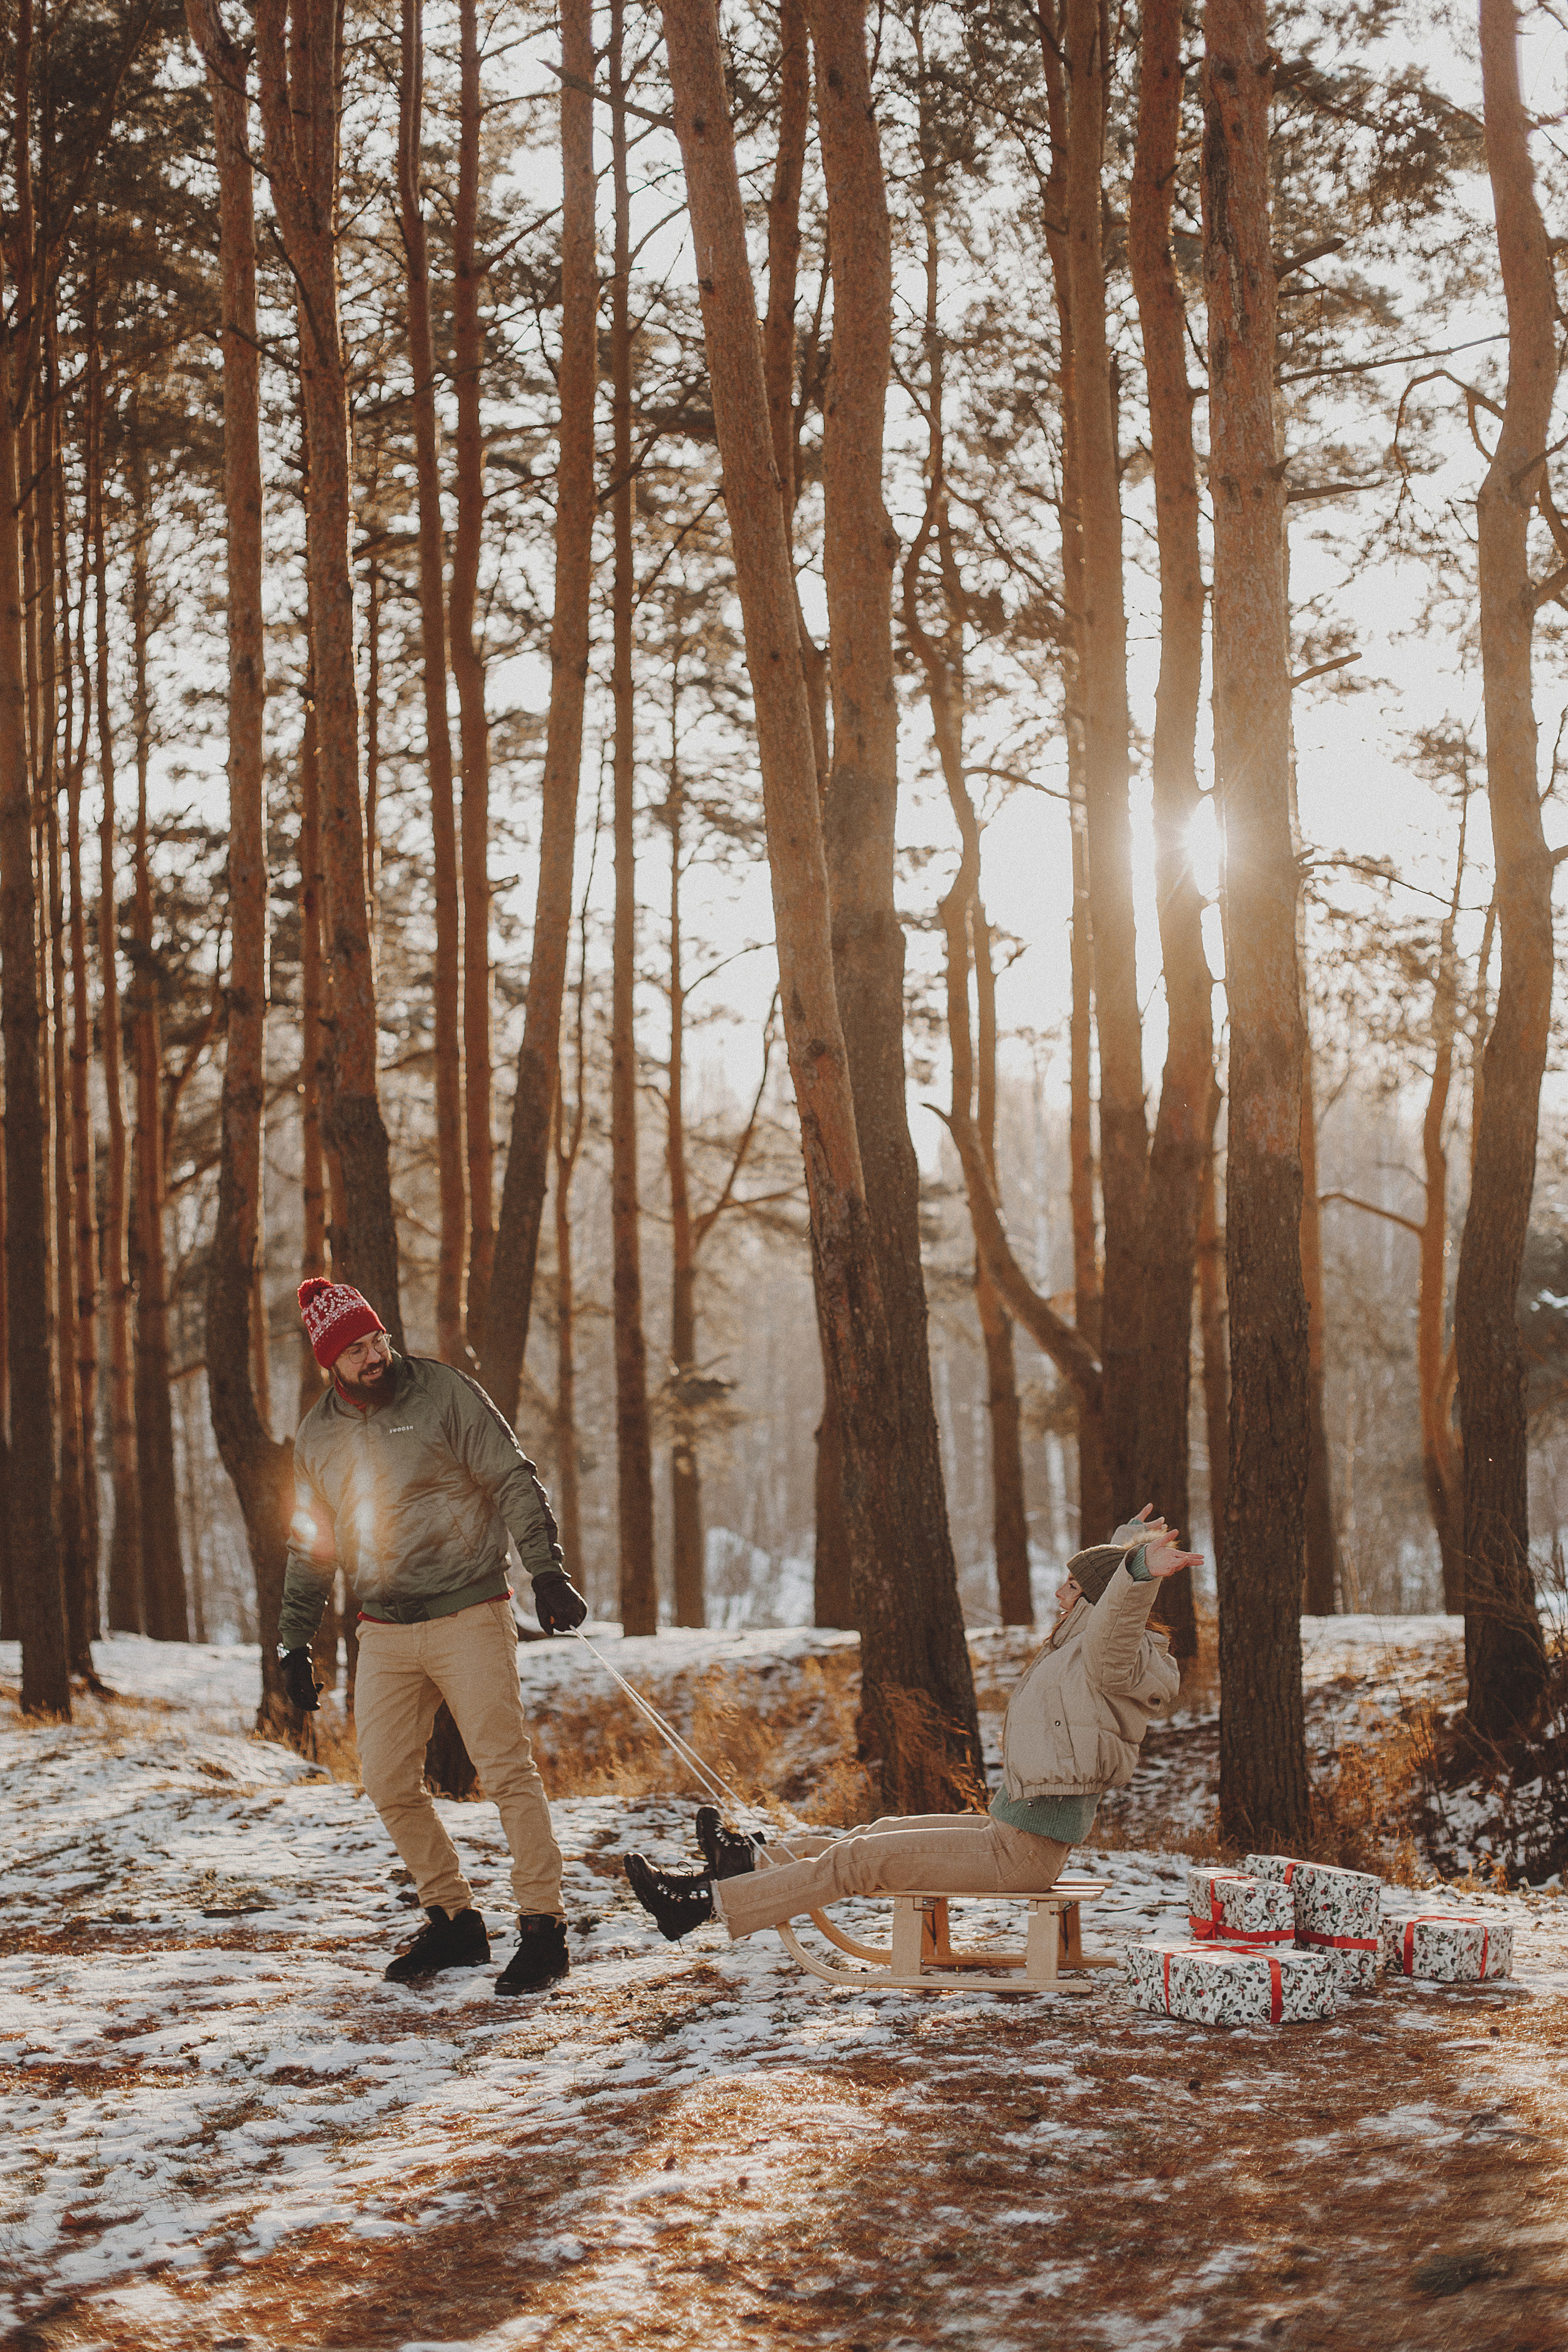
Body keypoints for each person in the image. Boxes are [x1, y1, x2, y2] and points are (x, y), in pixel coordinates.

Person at [622, 1507, 1197, 1947]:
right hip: (1009, 1832)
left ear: (1093, 1601)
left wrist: (1137, 1572)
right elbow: (1108, 1601)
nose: (1057, 1593)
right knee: (867, 1838)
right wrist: (1128, 1550)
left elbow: (1115, 1620)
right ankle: (744, 1864)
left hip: (1024, 1857)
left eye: (1071, 1587)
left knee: (860, 1866)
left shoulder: (1106, 1656)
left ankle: (702, 1905)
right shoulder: (1080, 1645)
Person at [279, 1276, 588, 1996]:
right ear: (331, 1359)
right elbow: (310, 1544)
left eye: (379, 1338)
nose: (375, 1355)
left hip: (467, 1613)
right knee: (386, 1779)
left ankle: (545, 1929)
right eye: (356, 1348)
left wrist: (547, 1574)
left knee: (506, 1770)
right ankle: (454, 1921)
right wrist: (296, 1643)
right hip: (384, 1631)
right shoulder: (318, 1432)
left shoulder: (443, 1393)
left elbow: (513, 1477)